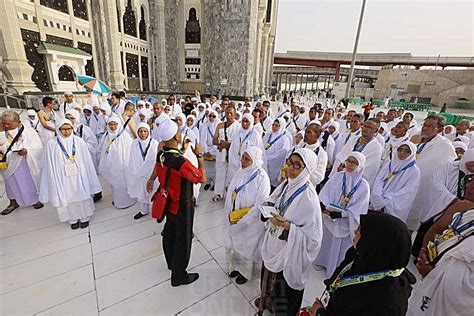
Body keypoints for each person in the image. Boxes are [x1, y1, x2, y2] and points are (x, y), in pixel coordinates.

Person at [257, 148, 323, 316]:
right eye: (290, 162)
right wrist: (269, 208)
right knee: (273, 281)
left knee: (285, 291)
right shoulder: (287, 184)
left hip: (290, 250)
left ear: (306, 169)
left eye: (297, 165)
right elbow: (274, 198)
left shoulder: (309, 198)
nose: (290, 168)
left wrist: (287, 226)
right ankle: (269, 302)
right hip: (276, 241)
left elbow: (313, 239)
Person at [309, 213, 415, 316]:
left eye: (361, 231)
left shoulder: (389, 304)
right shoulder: (361, 255)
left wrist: (320, 314)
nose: (355, 232)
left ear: (376, 243)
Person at [147, 119, 206, 287]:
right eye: (179, 131)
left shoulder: (162, 154)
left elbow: (169, 164)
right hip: (182, 206)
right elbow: (201, 178)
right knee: (183, 238)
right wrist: (199, 156)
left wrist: (183, 150)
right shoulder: (181, 162)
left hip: (169, 203)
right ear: (176, 136)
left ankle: (171, 263)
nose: (181, 133)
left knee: (170, 232)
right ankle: (179, 276)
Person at [408, 200, 474, 316]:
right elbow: (435, 230)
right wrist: (423, 251)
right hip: (427, 284)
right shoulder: (464, 208)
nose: (468, 186)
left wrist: (433, 275)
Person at [315, 152, 370, 278]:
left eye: (354, 162)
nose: (350, 164)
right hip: (329, 216)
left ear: (360, 166)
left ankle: (334, 269)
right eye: (348, 161)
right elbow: (325, 193)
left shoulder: (363, 186)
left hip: (346, 221)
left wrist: (341, 214)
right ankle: (320, 261)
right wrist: (325, 207)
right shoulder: (338, 176)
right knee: (326, 241)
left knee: (339, 248)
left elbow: (359, 209)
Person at [39, 119, 101, 229]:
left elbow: (87, 160)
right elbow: (49, 164)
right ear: (58, 129)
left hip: (80, 174)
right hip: (62, 176)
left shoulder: (79, 141)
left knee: (81, 193)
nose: (66, 132)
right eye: (63, 129)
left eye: (68, 129)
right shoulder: (51, 144)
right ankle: (72, 219)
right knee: (67, 197)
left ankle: (84, 217)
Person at [224, 146, 271, 285]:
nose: (243, 161)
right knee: (235, 243)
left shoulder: (262, 178)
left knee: (247, 247)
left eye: (247, 159)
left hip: (251, 221)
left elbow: (259, 205)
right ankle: (235, 267)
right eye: (242, 158)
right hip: (235, 216)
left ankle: (245, 272)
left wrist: (244, 222)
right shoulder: (241, 172)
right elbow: (231, 193)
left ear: (255, 161)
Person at [408, 115, 456, 231]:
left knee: (410, 225)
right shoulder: (418, 140)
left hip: (423, 188)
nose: (425, 128)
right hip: (407, 185)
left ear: (440, 129)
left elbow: (434, 168)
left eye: (430, 126)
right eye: (425, 125)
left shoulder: (445, 146)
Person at [0, 111, 44, 215]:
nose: (6, 126)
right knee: (10, 184)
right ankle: (13, 202)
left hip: (24, 162)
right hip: (8, 163)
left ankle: (34, 200)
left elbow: (38, 146)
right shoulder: (1, 132)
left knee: (27, 181)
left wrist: (27, 151)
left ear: (18, 122)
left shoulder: (28, 131)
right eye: (4, 123)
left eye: (9, 124)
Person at [370, 141, 421, 222]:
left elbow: (408, 192)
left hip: (392, 205)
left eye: (407, 151)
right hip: (378, 200)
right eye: (400, 150)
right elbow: (379, 180)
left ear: (412, 153)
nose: (402, 153)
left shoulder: (414, 171)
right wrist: (378, 196)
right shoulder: (391, 163)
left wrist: (386, 200)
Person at [332, 119, 383, 189]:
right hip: (341, 176)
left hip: (355, 184)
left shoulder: (376, 148)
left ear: (376, 131)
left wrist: (347, 170)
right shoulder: (353, 139)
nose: (366, 129)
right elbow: (342, 155)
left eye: (370, 128)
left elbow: (369, 170)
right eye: (365, 126)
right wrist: (342, 167)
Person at [98, 117, 136, 209]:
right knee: (115, 185)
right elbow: (101, 150)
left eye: (115, 124)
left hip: (123, 166)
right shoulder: (106, 136)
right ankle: (118, 201)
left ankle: (127, 201)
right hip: (111, 166)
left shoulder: (124, 136)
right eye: (110, 124)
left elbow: (130, 152)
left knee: (123, 184)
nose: (113, 127)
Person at [127, 123, 159, 220]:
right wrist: (135, 172)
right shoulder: (135, 143)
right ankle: (143, 211)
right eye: (140, 131)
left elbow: (155, 159)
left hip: (151, 174)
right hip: (139, 174)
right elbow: (132, 159)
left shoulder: (154, 143)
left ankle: (156, 211)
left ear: (148, 132)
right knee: (141, 193)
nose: (142, 133)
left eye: (145, 131)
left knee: (153, 193)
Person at [212, 105, 240, 202]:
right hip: (221, 153)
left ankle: (230, 195)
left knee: (232, 175)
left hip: (233, 154)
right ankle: (218, 194)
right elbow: (214, 140)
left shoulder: (238, 127)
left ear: (235, 114)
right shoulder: (220, 125)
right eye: (227, 113)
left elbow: (240, 142)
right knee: (220, 174)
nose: (229, 115)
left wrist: (228, 144)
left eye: (231, 113)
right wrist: (221, 143)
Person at [227, 113, 264, 187]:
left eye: (247, 121)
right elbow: (232, 149)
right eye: (243, 121)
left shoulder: (255, 134)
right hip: (235, 163)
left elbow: (259, 151)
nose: (244, 123)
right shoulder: (237, 133)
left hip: (248, 165)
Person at [263, 118, 291, 190]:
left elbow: (280, 155)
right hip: (263, 161)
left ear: (281, 127)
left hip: (274, 166)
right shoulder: (268, 134)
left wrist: (266, 158)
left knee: (271, 185)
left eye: (277, 125)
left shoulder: (284, 140)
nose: (274, 127)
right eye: (273, 125)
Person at [200, 110, 219, 191]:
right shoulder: (205, 126)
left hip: (216, 150)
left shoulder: (219, 126)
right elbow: (202, 140)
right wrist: (205, 150)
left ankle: (215, 183)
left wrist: (215, 150)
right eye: (210, 116)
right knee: (207, 167)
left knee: (216, 168)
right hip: (207, 149)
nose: (211, 118)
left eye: (213, 116)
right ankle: (208, 182)